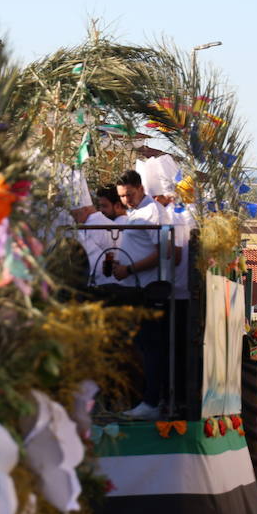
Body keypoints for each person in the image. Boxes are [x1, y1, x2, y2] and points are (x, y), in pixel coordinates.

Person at [114, 170, 169, 419]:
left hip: (150, 289)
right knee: (142, 346)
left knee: (151, 347)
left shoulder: (151, 213)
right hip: (135, 288)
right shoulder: (137, 212)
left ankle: (152, 401)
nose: (126, 200)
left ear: (140, 187)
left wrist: (129, 268)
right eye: (122, 196)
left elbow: (161, 253)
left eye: (129, 194)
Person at [81, 186, 126, 286]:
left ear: (117, 206)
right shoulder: (112, 223)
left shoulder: (118, 224)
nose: (101, 210)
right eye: (99, 206)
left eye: (104, 206)